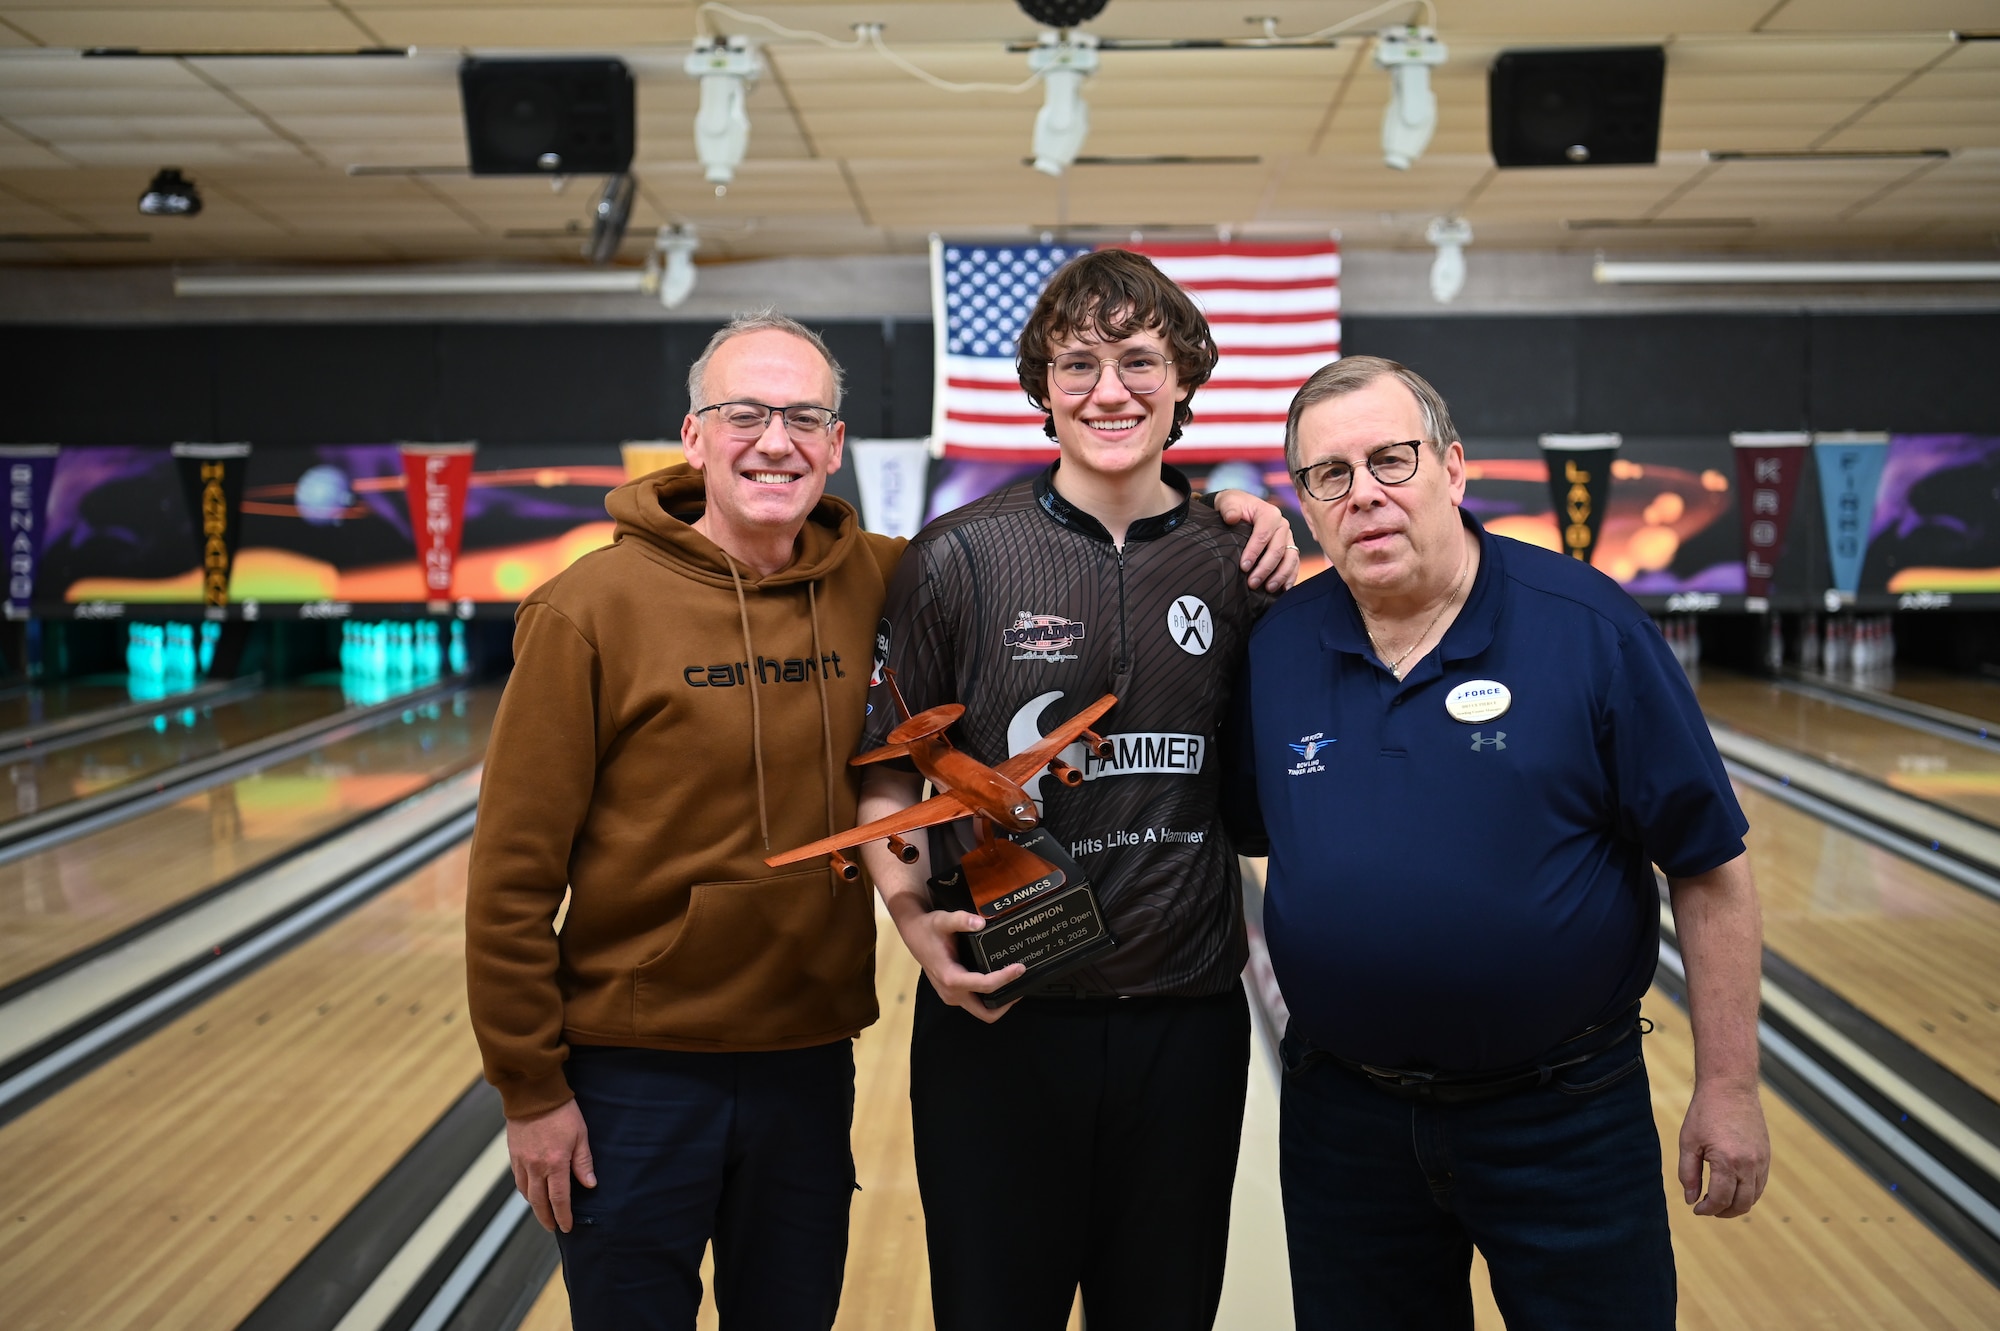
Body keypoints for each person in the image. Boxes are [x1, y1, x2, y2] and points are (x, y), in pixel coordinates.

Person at [464, 310, 1297, 1331]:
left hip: (807, 1055)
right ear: (693, 435)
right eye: (744, 414)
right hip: (635, 1069)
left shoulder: (883, 574)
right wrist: (530, 1089)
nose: (775, 441)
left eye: (803, 418)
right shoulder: (587, 607)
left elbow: (1082, 532)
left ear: (835, 444)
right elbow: (509, 877)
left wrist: (1223, 508)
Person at [1234, 355, 1770, 1330]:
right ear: (1305, 505)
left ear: (1452, 468)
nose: (1364, 493)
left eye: (1391, 460)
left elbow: (1708, 866)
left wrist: (1728, 1085)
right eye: (1330, 474)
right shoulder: (1274, 651)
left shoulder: (1589, 628)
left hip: (1565, 1116)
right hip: (1345, 1126)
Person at [857, 248, 1295, 1331]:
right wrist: (911, 920)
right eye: (1078, 363)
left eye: (1139, 360)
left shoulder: (1237, 560)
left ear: (1183, 379)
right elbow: (888, 772)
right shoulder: (957, 557)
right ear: (1042, 386)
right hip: (1000, 1017)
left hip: (1186, 1023)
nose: (1110, 390)